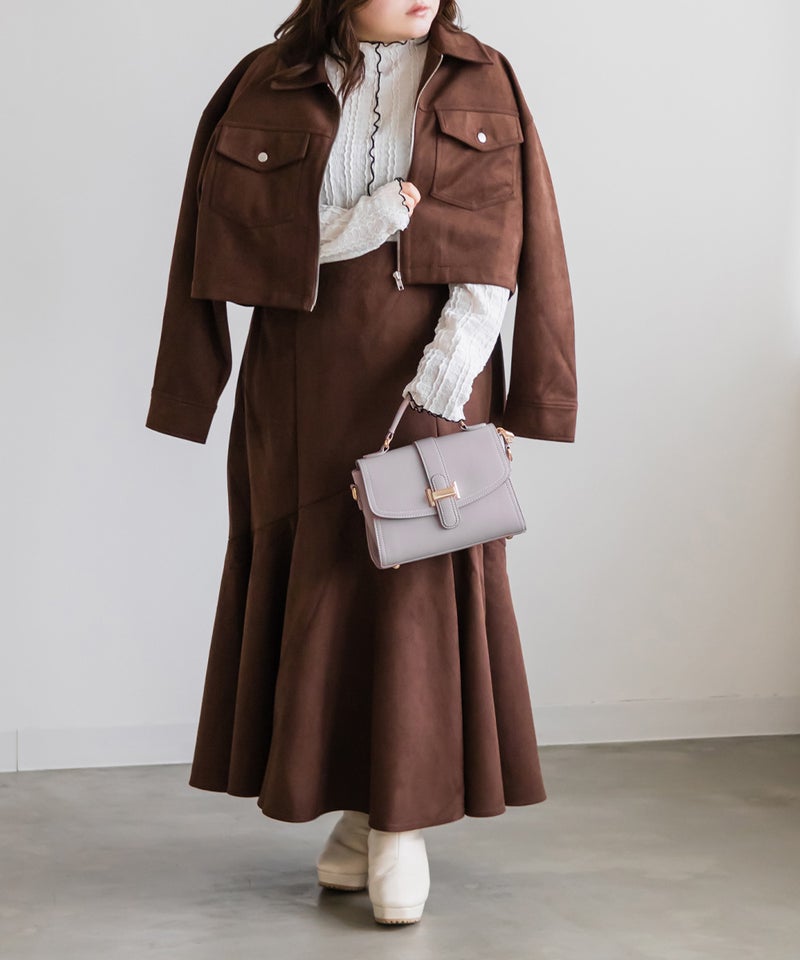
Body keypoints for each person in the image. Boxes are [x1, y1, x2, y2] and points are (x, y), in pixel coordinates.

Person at [145, 0, 577, 927]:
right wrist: (367, 222)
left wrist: (447, 379)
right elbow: (230, 243)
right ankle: (358, 818)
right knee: (327, 594)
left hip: (435, 370)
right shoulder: (266, 82)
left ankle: (400, 827)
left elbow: (505, 245)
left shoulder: (482, 76)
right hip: (299, 383)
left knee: (412, 598)